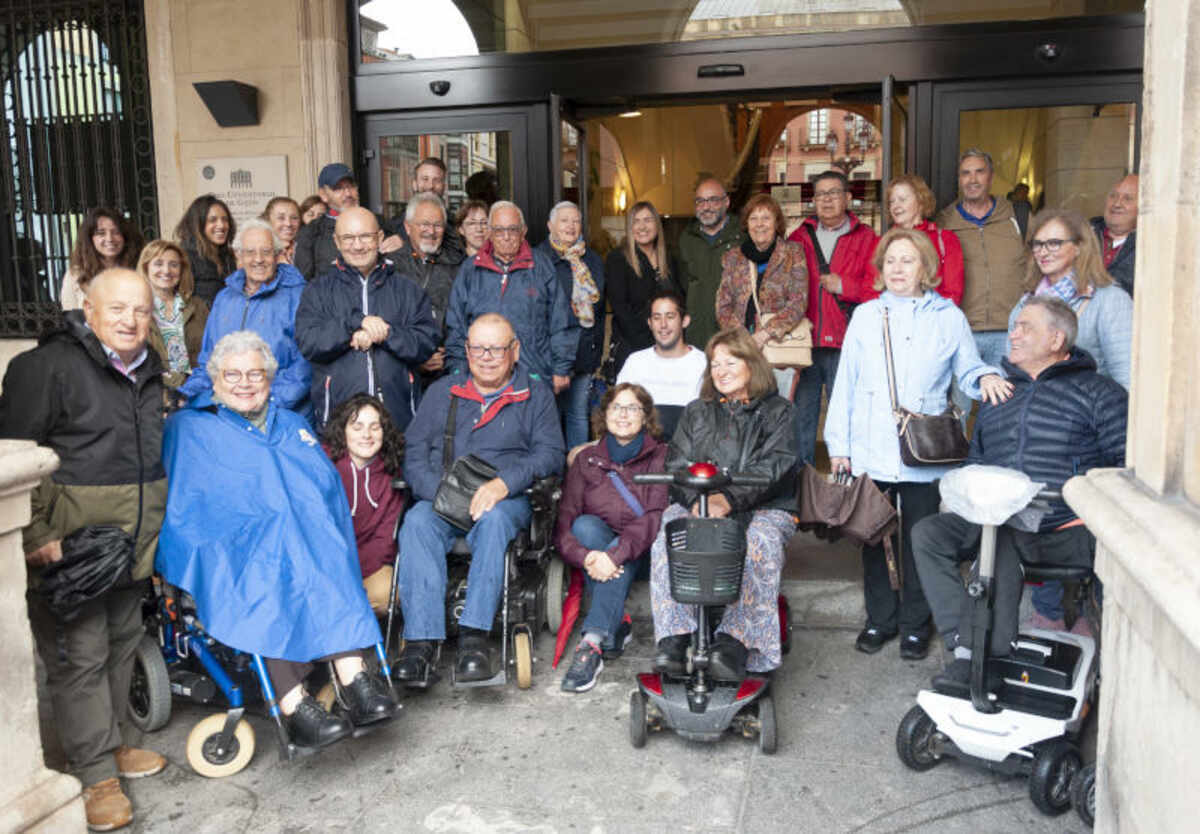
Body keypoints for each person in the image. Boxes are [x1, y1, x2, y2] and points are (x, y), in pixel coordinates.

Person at [157, 331, 397, 750]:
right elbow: (187, 505)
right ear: (214, 379)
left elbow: (324, 490)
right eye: (233, 374)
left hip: (302, 542)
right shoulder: (191, 428)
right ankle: (294, 704)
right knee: (267, 583)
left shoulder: (290, 423)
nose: (245, 383)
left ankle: (354, 676)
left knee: (325, 557)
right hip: (232, 550)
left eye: (255, 373)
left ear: (270, 378)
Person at [0, 268, 168, 831]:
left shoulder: (151, 367)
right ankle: (93, 773)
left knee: (122, 643)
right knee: (80, 656)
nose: (130, 320)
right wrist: (36, 534)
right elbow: (15, 453)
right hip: (69, 546)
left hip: (129, 542)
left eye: (141, 310)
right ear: (87, 311)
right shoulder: (43, 367)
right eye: (117, 309)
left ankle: (112, 745)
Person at [912, 296, 1127, 687]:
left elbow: (1124, 465)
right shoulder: (999, 394)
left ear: (1057, 338)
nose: (1013, 334)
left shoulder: (1100, 393)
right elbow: (975, 462)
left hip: (1065, 527)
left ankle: (980, 661)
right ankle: (966, 642)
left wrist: (1084, 502)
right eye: (1014, 325)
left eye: (1025, 327)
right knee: (929, 533)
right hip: (995, 520)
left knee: (1007, 534)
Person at [825, 228, 1011, 659]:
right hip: (871, 447)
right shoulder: (867, 316)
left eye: (907, 261)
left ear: (925, 267)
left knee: (920, 540)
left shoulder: (948, 317)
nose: (897, 269)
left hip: (924, 451)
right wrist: (840, 446)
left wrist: (985, 377)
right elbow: (845, 385)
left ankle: (915, 624)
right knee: (872, 538)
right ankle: (880, 619)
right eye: (890, 261)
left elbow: (967, 369)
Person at [394, 314, 565, 685]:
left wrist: (505, 483)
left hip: (506, 499)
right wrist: (437, 493)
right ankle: (420, 643)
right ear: (466, 350)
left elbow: (551, 452)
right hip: (444, 496)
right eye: (477, 348)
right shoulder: (442, 392)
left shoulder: (535, 395)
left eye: (496, 348)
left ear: (515, 350)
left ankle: (474, 639)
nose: (486, 357)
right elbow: (414, 452)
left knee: (495, 521)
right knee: (417, 522)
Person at [651, 327, 798, 681]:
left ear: (752, 365)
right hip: (698, 501)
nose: (721, 371)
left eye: (730, 362)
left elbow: (776, 465)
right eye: (715, 364)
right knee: (668, 538)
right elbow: (676, 464)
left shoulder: (779, 412)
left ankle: (735, 643)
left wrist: (727, 499)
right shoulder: (697, 411)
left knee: (759, 542)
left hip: (763, 504)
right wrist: (697, 499)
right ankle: (676, 637)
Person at [554, 383, 668, 692]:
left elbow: (655, 517)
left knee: (621, 548)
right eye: (617, 407)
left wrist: (613, 555)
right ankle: (616, 624)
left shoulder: (661, 456)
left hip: (643, 552)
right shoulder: (587, 460)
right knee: (584, 527)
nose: (623, 414)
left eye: (632, 408)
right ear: (604, 414)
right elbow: (565, 521)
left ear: (645, 417)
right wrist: (588, 557)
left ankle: (591, 643)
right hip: (598, 551)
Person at [295, 206, 439, 430]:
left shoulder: (407, 289)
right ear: (336, 241)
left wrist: (386, 334)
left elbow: (426, 342)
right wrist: (354, 325)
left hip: (398, 421)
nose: (358, 245)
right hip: (338, 423)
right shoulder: (318, 290)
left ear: (380, 238)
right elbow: (309, 342)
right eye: (349, 238)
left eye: (365, 236)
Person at [787, 169, 879, 465]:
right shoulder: (798, 237)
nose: (826, 200)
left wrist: (845, 286)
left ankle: (848, 489)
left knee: (848, 418)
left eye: (833, 193)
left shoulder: (866, 238)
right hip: (806, 342)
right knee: (801, 421)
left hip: (847, 342)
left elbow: (879, 289)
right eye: (820, 194)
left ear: (848, 198)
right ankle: (802, 491)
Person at [177, 218, 311, 415]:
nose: (258, 259)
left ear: (276, 255)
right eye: (250, 252)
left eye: (266, 252)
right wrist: (184, 396)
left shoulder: (299, 296)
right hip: (229, 413)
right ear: (238, 255)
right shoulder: (225, 297)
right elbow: (208, 363)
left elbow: (304, 366)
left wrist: (262, 402)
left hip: (280, 412)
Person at [444, 201, 576, 392]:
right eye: (499, 230)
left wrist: (561, 368)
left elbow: (561, 320)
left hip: (534, 375)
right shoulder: (470, 269)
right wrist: (458, 371)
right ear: (489, 232)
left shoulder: (542, 266)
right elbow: (456, 325)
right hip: (482, 376)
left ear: (523, 231)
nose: (506, 237)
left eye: (513, 230)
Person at [1008, 208, 1133, 390]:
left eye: (1054, 243)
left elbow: (1126, 379)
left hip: (1087, 413)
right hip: (1033, 410)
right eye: (1038, 244)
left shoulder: (1110, 300)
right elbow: (1010, 371)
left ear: (1078, 247)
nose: (1043, 252)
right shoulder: (1026, 302)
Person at [935, 149, 1028, 372]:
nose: (973, 179)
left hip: (1011, 331)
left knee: (1005, 403)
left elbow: (1037, 267)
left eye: (979, 172)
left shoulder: (1018, 216)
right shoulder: (943, 223)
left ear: (991, 176)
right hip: (962, 331)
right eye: (966, 173)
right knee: (961, 405)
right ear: (959, 180)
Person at [323, 393, 406, 613]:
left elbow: (385, 540)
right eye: (357, 427)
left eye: (374, 427)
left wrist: (352, 575)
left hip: (365, 569)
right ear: (343, 431)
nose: (366, 435)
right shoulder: (321, 466)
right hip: (323, 567)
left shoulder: (392, 474)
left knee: (389, 590)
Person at [537, 201, 605, 447]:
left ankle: (577, 471)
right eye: (564, 220)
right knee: (548, 418)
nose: (571, 226)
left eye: (576, 221)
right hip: (549, 358)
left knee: (578, 416)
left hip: (584, 355)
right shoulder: (539, 260)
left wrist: (595, 354)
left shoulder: (592, 261)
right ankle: (554, 475)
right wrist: (557, 364)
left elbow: (599, 311)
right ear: (550, 225)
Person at [715, 193, 808, 372]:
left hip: (779, 350)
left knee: (776, 399)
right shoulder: (733, 257)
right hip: (741, 349)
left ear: (777, 223)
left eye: (766, 218)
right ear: (746, 224)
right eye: (753, 218)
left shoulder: (793, 253)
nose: (759, 224)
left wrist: (764, 335)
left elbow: (798, 302)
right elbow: (723, 305)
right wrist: (743, 339)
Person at [605, 200, 685, 374]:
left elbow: (679, 300)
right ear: (630, 228)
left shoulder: (669, 258)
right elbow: (620, 308)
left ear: (657, 224)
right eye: (636, 221)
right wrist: (650, 347)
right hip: (634, 348)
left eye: (648, 220)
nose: (642, 226)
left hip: (669, 346)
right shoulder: (618, 259)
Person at [616, 291, 707, 439]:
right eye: (657, 318)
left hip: (687, 449)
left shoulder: (703, 363)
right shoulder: (635, 362)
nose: (663, 325)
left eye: (670, 317)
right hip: (639, 448)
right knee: (576, 454)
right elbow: (618, 411)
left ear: (685, 321)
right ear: (650, 323)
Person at [393, 193, 464, 376]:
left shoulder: (458, 267)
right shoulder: (390, 268)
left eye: (438, 225)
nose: (431, 231)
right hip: (402, 373)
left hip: (448, 371)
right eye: (424, 224)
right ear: (408, 227)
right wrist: (416, 357)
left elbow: (464, 322)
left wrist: (448, 355)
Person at [677, 178, 744, 351]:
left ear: (726, 202)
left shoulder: (743, 236)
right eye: (700, 201)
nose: (706, 207)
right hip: (696, 336)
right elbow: (682, 287)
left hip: (734, 336)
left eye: (713, 200)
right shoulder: (686, 239)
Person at [294, 163, 394, 280]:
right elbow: (304, 280)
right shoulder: (311, 232)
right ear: (324, 195)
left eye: (351, 186)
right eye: (338, 188)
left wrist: (400, 242)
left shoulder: (378, 222)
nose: (347, 194)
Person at [139, 239, 210, 391]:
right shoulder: (135, 308)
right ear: (146, 268)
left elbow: (212, 350)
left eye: (173, 265)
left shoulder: (197, 306)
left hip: (196, 390)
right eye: (158, 264)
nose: (166, 271)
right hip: (153, 393)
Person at [884, 174, 964, 306]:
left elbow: (953, 292)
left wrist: (924, 316)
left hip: (933, 320)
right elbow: (870, 289)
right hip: (893, 321)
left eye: (902, 199)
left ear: (921, 202)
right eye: (892, 201)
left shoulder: (946, 239)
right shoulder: (884, 242)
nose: (895, 206)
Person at [59, 207, 143, 310]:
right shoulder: (75, 275)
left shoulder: (139, 269)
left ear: (124, 237)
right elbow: (70, 316)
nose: (110, 239)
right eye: (101, 233)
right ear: (90, 239)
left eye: (116, 232)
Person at [383, 157, 465, 259]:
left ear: (444, 186)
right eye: (425, 179)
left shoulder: (455, 225)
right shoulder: (393, 226)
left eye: (437, 180)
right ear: (414, 184)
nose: (430, 186)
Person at [174, 195, 236, 305]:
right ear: (198, 224)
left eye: (225, 219)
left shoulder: (228, 256)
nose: (221, 225)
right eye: (213, 220)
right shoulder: (184, 257)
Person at [1090, 173, 1138, 295]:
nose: (1117, 204)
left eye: (1128, 198)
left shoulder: (1147, 244)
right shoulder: (1084, 234)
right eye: (1113, 196)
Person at [262, 196, 302, 264]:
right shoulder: (257, 249)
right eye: (281, 218)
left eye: (294, 218)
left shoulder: (306, 248)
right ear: (268, 221)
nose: (288, 224)